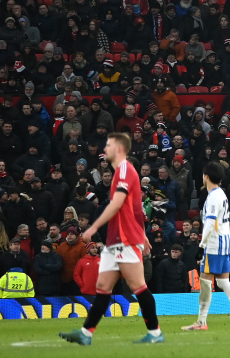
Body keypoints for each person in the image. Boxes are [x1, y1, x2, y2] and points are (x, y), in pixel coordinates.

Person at [59, 132, 164, 346]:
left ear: (119, 149)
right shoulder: (119, 172)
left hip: (124, 240)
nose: (104, 149)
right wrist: (143, 234)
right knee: (103, 286)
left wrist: (93, 228)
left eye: (108, 145)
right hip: (116, 239)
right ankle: (86, 334)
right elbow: (134, 209)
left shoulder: (125, 170)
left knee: (138, 286)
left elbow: (117, 204)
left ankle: (155, 333)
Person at [181, 162, 230, 331]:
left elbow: (210, 223)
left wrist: (202, 245)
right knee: (222, 281)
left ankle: (201, 321)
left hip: (215, 243)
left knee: (205, 281)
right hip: (224, 241)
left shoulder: (213, 196)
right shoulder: (221, 194)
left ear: (206, 176)